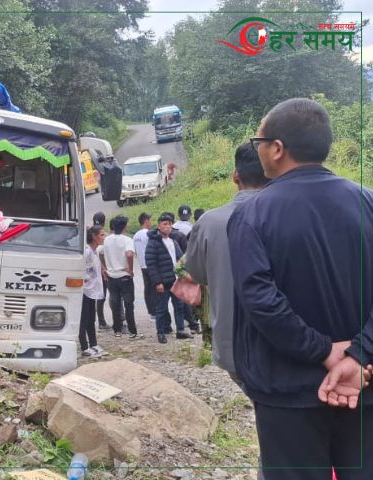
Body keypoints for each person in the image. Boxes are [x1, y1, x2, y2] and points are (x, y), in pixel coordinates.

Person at [229, 98, 372, 479]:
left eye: (259, 140)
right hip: (362, 385)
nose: (257, 148)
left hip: (287, 392)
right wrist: (359, 354)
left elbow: (260, 300)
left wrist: (323, 351)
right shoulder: (367, 202)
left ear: (277, 148)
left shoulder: (251, 213)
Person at [185, 142, 267, 383]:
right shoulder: (291, 214)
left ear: (235, 176)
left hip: (232, 344)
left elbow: (197, 274)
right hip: (291, 346)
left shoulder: (209, 222)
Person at [145, 212, 190, 344]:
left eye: (170, 224)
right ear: (159, 226)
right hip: (163, 282)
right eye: (165, 224)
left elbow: (181, 259)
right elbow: (151, 264)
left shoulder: (173, 241)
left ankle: (180, 330)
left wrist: (183, 274)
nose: (168, 226)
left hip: (175, 280)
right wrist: (157, 282)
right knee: (162, 308)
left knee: (179, 306)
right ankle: (161, 332)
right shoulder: (153, 243)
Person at [100, 215, 141, 339]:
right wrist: (130, 269)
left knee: (116, 303)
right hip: (124, 276)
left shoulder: (107, 240)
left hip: (111, 276)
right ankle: (133, 331)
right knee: (129, 304)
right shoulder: (127, 240)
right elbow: (129, 254)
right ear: (124, 227)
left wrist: (104, 267)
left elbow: (100, 252)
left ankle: (116, 330)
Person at [79, 225, 107, 358]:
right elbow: (83, 270)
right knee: (84, 318)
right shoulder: (87, 251)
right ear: (94, 237)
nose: (104, 237)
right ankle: (84, 346)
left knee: (91, 317)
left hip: (92, 289)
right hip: (85, 290)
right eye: (102, 235)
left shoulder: (95, 251)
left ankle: (93, 344)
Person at [132, 212, 155, 317]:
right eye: (150, 220)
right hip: (151, 264)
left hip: (142, 264)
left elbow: (135, 251)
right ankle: (154, 311)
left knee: (147, 287)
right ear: (146, 221)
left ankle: (150, 310)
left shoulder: (136, 235)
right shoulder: (148, 234)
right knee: (154, 288)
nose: (151, 222)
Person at [92, 211, 110, 330]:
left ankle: (99, 321)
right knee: (102, 296)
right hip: (103, 271)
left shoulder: (90, 233)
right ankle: (102, 321)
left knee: (97, 296)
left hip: (93, 271)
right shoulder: (104, 235)